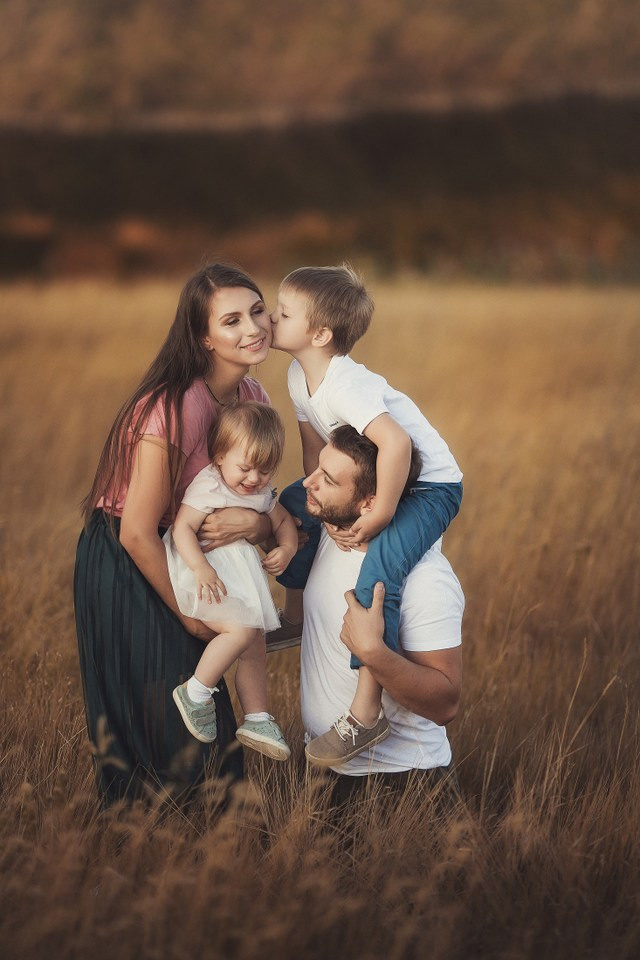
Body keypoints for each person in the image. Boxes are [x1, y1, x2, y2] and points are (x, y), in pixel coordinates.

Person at [74, 263, 276, 806]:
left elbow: (252, 500)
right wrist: (186, 615)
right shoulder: (175, 405)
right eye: (231, 320)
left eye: (257, 311)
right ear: (203, 336)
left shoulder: (253, 394)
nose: (253, 328)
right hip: (127, 555)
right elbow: (137, 531)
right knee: (164, 704)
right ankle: (143, 841)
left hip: (184, 552)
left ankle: (213, 843)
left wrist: (258, 525)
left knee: (199, 705)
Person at [270, 264, 463, 766]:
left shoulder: (345, 385)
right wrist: (312, 503)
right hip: (385, 480)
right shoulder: (297, 376)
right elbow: (316, 452)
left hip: (426, 487)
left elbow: (395, 444)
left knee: (379, 572)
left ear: (320, 333)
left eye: (283, 312)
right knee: (286, 507)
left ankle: (366, 711)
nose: (270, 318)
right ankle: (293, 617)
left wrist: (381, 517)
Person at [298, 426, 463, 793]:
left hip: (400, 783)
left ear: (370, 503)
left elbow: (445, 703)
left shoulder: (426, 579)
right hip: (323, 766)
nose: (309, 482)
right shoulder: (332, 532)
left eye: (327, 479)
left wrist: (374, 653)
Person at [165, 401, 297, 760]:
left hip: (236, 578)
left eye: (266, 471)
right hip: (205, 573)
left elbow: (283, 522)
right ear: (220, 455)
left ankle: (257, 717)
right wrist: (200, 567)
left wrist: (285, 548)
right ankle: (195, 692)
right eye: (246, 468)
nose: (254, 479)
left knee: (253, 641)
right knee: (239, 632)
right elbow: (182, 529)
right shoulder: (209, 485)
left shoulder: (260, 493)